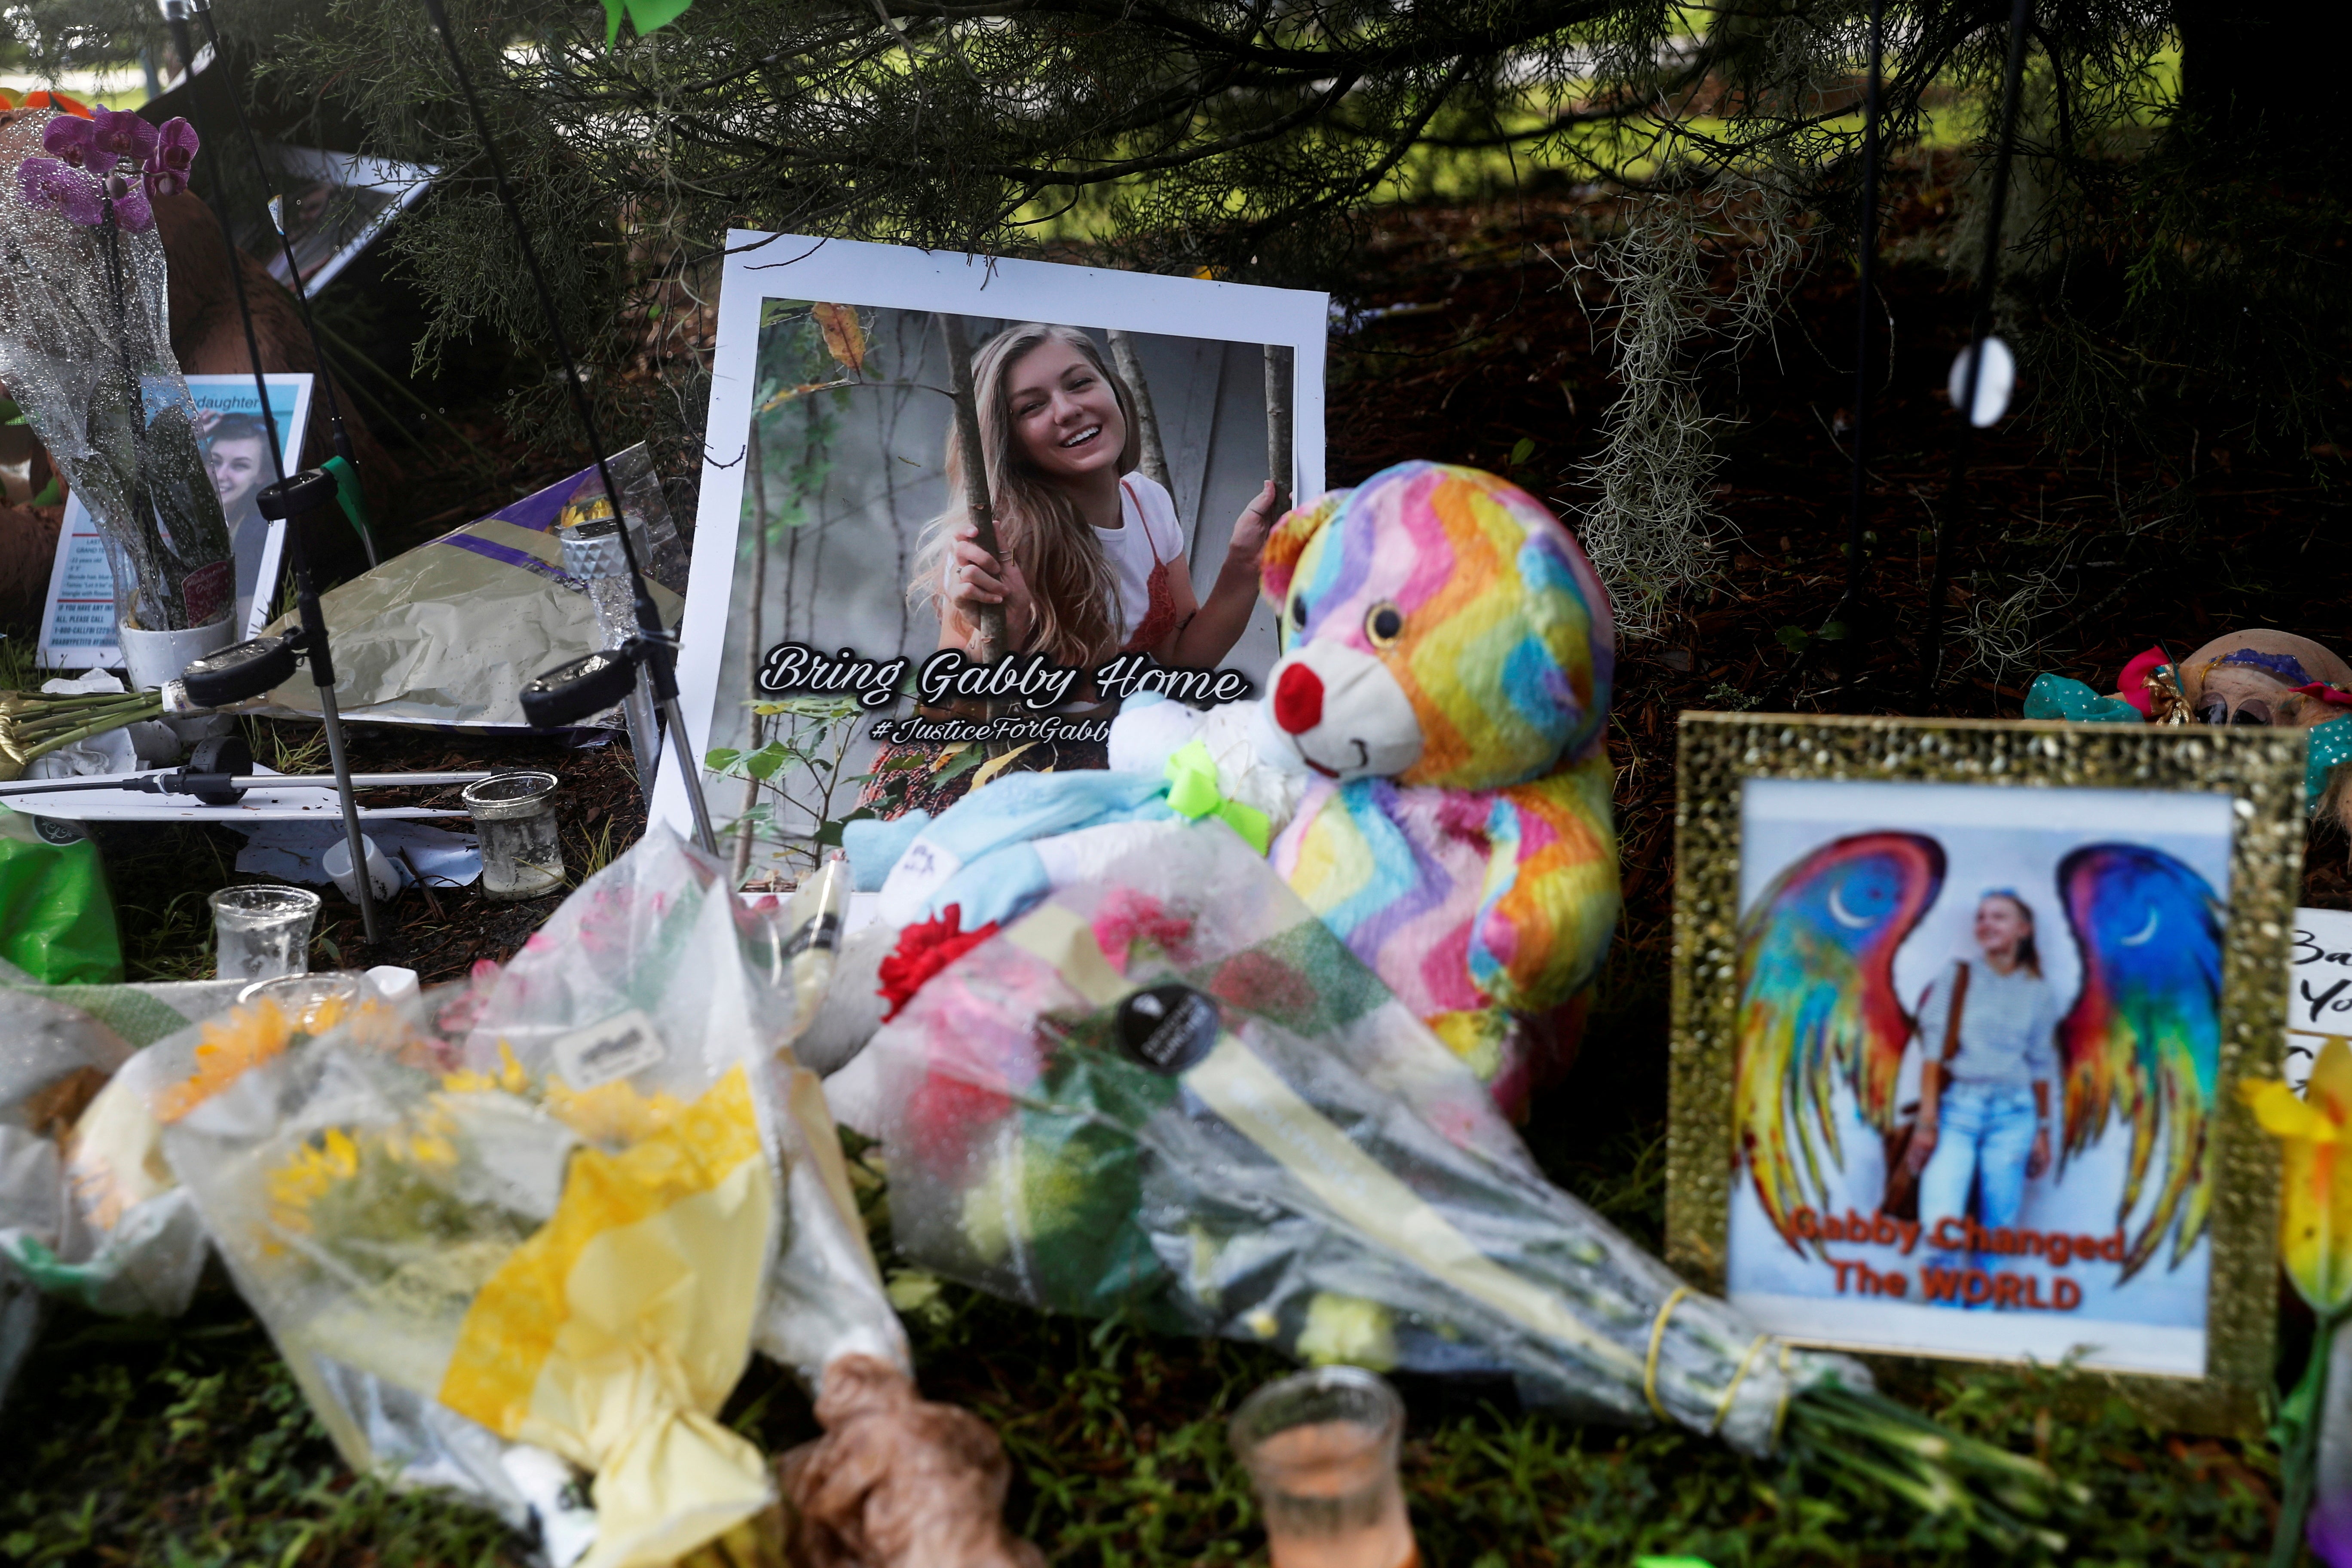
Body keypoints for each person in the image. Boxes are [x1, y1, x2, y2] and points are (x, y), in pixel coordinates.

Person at [869, 322, 1280, 816]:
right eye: (1032, 407)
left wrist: (1245, 562)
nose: (1067, 410)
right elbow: (946, 720)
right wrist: (1006, 635)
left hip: (1102, 755)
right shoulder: (1002, 540)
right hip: (991, 775)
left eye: (1080, 382)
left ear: (1113, 389)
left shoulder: (1148, 503)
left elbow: (1181, 663)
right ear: (1009, 438)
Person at [1908, 890, 2062, 1281]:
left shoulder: (2039, 992)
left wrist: (2042, 1131)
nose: (1986, 924)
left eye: (1999, 917)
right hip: (1958, 1111)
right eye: (1981, 917)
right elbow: (1933, 1052)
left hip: (2015, 1117)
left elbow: (2041, 1066)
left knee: (1997, 1236)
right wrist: (1927, 1124)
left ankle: (1981, 1321)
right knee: (1941, 1230)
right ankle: (1943, 1328)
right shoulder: (1957, 977)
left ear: (2023, 930)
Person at [200, 410, 274, 632]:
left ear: (261, 475)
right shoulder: (196, 519)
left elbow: (245, 631)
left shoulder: (258, 532)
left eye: (240, 466)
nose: (222, 475)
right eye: (216, 461)